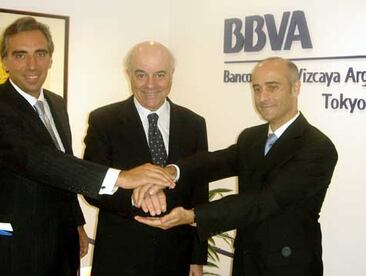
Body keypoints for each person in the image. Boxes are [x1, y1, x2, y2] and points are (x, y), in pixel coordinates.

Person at [0, 17, 174, 276]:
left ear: (50, 60)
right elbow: (39, 161)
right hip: (20, 251)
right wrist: (121, 177)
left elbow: (64, 167)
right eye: (20, 55)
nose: (32, 64)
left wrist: (77, 222)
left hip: (63, 244)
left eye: (40, 54)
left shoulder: (55, 104)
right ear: (5, 62)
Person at [136, 57, 338, 276]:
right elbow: (214, 162)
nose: (262, 98)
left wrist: (193, 215)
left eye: (272, 87)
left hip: (289, 266)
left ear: (295, 87)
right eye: (257, 89)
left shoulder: (317, 148)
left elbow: (263, 201)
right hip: (246, 262)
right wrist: (170, 172)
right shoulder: (252, 137)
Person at [83, 41, 208, 276]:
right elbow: (92, 186)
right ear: (129, 74)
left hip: (176, 256)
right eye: (141, 75)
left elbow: (199, 194)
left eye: (160, 74)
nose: (151, 84)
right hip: (120, 257)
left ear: (172, 74)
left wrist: (197, 258)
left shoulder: (194, 124)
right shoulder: (103, 121)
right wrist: (133, 198)